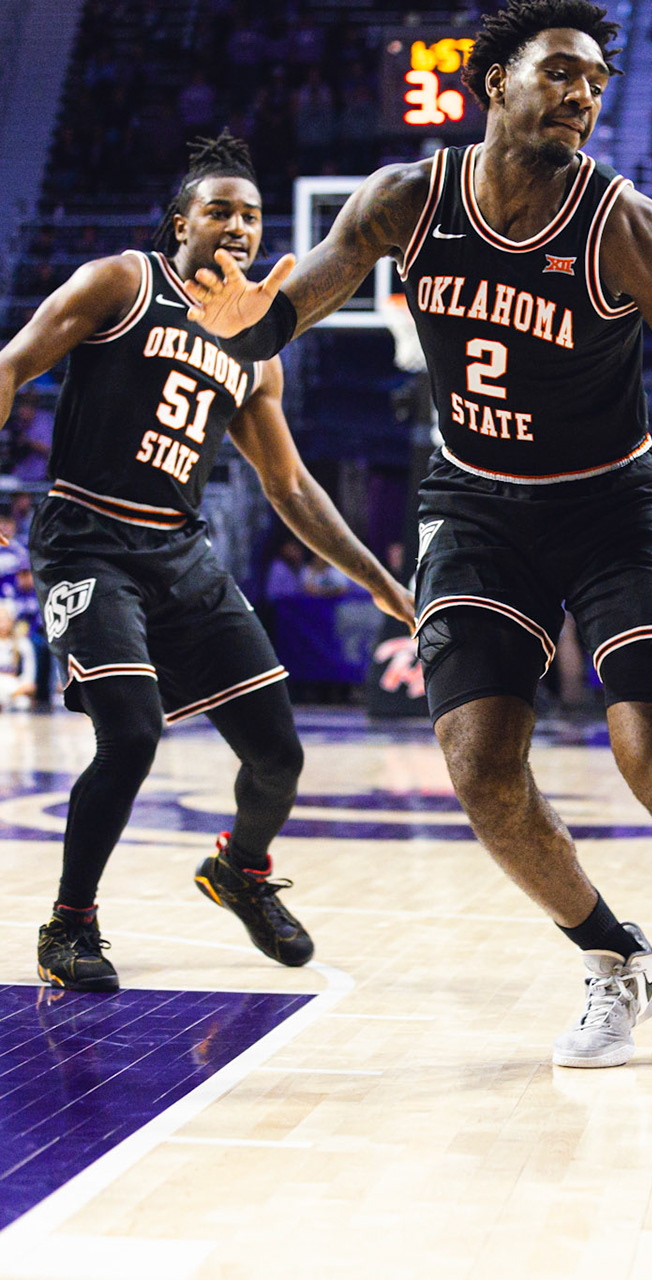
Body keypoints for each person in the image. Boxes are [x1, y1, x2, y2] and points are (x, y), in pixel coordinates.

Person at [184, 0, 652, 1065]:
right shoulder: (407, 196)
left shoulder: (626, 223)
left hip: (612, 501)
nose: (583, 95)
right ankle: (612, 954)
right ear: (496, 83)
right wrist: (239, 321)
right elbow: (290, 305)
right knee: (479, 763)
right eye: (562, 73)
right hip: (477, 501)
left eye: (596, 82)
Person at [0, 133, 412, 991]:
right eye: (219, 209)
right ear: (180, 222)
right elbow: (11, 364)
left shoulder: (259, 349)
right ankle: (69, 924)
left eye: (251, 216)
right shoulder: (122, 282)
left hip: (182, 552)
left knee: (279, 756)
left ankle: (240, 871)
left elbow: (291, 488)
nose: (237, 225)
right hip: (88, 537)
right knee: (132, 733)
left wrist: (382, 583)